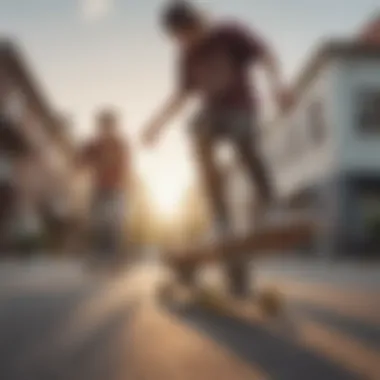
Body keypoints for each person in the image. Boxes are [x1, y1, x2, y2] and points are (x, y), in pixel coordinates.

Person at [141, 1, 291, 296]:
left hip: (242, 109)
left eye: (188, 34)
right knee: (197, 131)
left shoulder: (229, 33)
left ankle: (270, 202)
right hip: (212, 115)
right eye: (179, 39)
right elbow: (181, 96)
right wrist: (156, 124)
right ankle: (220, 218)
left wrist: (278, 85)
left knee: (243, 137)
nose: (186, 42)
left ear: (198, 23)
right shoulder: (186, 55)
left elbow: (265, 54)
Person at [79, 109, 131, 264]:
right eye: (103, 125)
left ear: (114, 126)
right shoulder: (93, 145)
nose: (106, 129)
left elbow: (125, 167)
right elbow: (80, 163)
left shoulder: (120, 144)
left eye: (109, 125)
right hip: (99, 189)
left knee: (114, 222)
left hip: (116, 189)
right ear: (99, 127)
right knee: (98, 221)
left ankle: (114, 255)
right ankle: (98, 253)